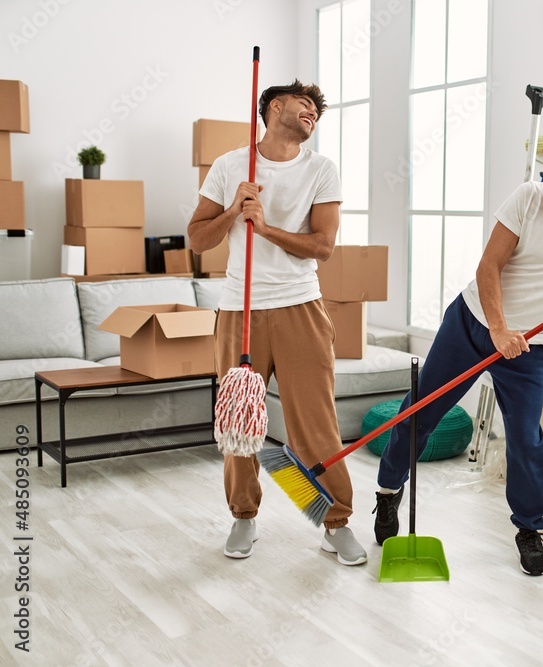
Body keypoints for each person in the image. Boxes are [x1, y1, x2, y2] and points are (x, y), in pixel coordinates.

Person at [372, 128, 543, 575]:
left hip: (530, 348)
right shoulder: (527, 198)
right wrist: (500, 329)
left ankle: (529, 528)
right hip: (471, 324)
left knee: (526, 442)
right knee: (420, 413)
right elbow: (489, 265)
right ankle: (388, 493)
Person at [188, 79, 366, 565]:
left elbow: (324, 247)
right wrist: (232, 213)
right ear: (272, 107)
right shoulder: (229, 166)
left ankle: (333, 521)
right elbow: (197, 240)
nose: (311, 113)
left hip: (300, 305)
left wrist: (265, 228)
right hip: (239, 311)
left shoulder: (321, 169)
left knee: (314, 426)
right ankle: (244, 517)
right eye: (303, 104)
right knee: (240, 421)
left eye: (317, 111)